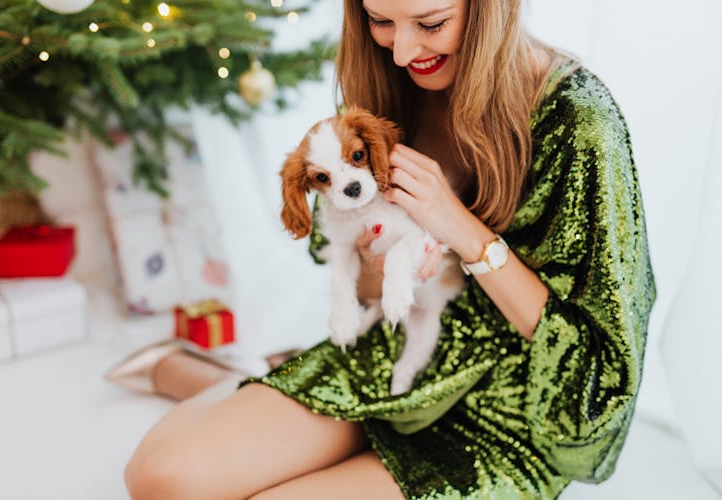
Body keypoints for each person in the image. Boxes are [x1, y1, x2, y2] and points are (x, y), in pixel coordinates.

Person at [116, 0, 656, 498]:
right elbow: (349, 265)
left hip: (505, 418)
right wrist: (381, 268)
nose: (400, 51)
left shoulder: (579, 118)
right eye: (379, 20)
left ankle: (224, 377)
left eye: (430, 23)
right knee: (160, 480)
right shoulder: (391, 83)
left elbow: (598, 368)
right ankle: (233, 378)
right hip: (394, 353)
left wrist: (461, 229)